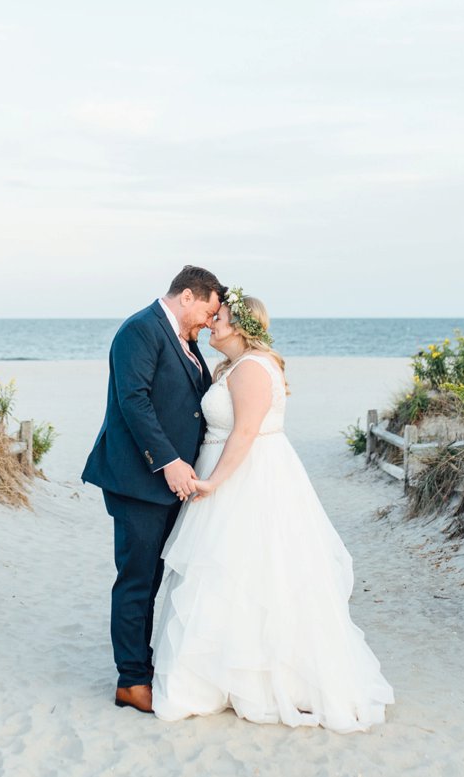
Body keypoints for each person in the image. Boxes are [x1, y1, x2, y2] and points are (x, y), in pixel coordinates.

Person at [151, 289, 394, 732]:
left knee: (253, 572)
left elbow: (244, 434)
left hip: (247, 478)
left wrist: (213, 483)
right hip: (232, 471)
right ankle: (224, 673)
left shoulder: (252, 370)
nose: (211, 324)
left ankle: (261, 678)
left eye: (219, 317)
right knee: (227, 574)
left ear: (242, 326)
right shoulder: (235, 367)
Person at [81, 265, 224, 714]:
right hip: (138, 480)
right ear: (187, 296)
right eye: (208, 309)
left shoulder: (186, 339)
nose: (209, 319)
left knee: (157, 577)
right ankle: (131, 680)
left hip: (173, 484)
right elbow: (134, 401)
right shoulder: (139, 331)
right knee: (137, 580)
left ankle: (146, 664)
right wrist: (169, 461)